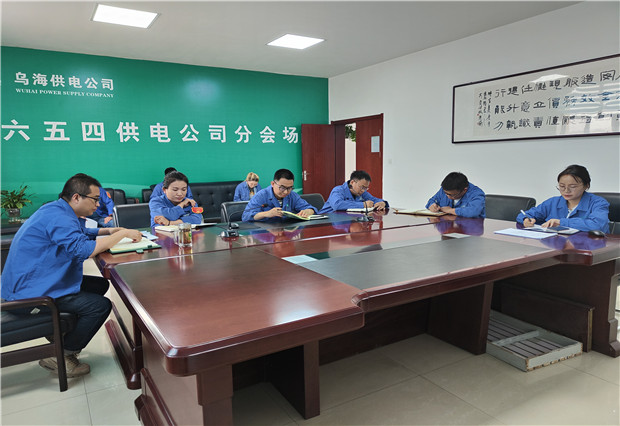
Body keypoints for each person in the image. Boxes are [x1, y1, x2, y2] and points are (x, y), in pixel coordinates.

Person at [1, 173, 142, 377]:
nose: (98, 205)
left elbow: (80, 231)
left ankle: (62, 335)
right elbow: (83, 250)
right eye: (95, 199)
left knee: (99, 285)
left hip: (37, 281)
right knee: (100, 306)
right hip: (29, 293)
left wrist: (110, 231)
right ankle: (63, 354)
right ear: (76, 197)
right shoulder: (58, 216)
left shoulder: (57, 210)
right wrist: (122, 234)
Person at [516, 164, 609, 232]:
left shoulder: (598, 203)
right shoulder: (553, 202)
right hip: (557, 245)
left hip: (588, 246)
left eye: (572, 186)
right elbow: (524, 214)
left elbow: (597, 225)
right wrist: (525, 220)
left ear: (586, 186)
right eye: (562, 186)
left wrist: (561, 222)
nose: (566, 190)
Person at [242, 169, 317, 221]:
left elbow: (311, 208)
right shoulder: (261, 196)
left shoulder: (292, 195)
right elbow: (246, 216)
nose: (286, 192)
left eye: (289, 188)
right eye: (282, 188)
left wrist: (308, 211)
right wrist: (266, 214)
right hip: (265, 232)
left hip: (287, 231)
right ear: (273, 184)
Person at [319, 170, 388, 214]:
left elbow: (374, 200)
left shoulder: (362, 192)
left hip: (347, 220)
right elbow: (337, 205)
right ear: (352, 182)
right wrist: (363, 205)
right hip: (327, 221)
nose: (363, 190)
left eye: (366, 188)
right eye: (362, 187)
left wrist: (383, 203)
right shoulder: (338, 190)